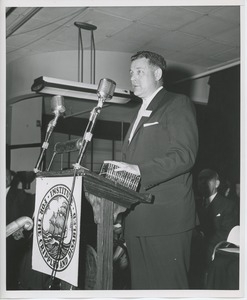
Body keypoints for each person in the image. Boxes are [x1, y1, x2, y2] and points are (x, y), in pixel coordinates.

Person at [111, 50, 199, 289]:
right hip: (138, 220)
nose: (133, 77)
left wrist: (138, 170)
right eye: (131, 72)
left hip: (166, 220)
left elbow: (184, 155)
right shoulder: (138, 113)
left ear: (157, 73)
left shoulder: (176, 103)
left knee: (169, 289)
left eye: (140, 71)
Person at [197, 169, 239, 271]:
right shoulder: (194, 204)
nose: (203, 182)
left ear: (217, 184)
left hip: (214, 253)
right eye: (200, 179)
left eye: (207, 179)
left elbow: (226, 233)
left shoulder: (228, 205)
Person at [6, 168, 35, 289]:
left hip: (10, 249)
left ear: (11, 178)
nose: (4, 178)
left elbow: (28, 219)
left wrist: (21, 231)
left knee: (9, 281)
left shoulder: (21, 195)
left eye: (6, 175)